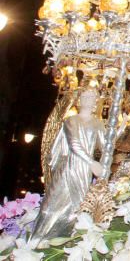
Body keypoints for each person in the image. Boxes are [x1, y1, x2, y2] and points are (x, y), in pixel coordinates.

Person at [31, 89, 107, 241]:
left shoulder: (98, 124)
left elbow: (106, 147)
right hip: (69, 166)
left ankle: (65, 242)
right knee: (49, 207)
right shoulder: (71, 120)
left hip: (84, 171)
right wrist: (92, 162)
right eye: (84, 96)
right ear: (79, 100)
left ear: (96, 102)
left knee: (76, 209)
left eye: (91, 97)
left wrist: (122, 128)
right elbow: (74, 143)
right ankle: (37, 241)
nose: (87, 99)